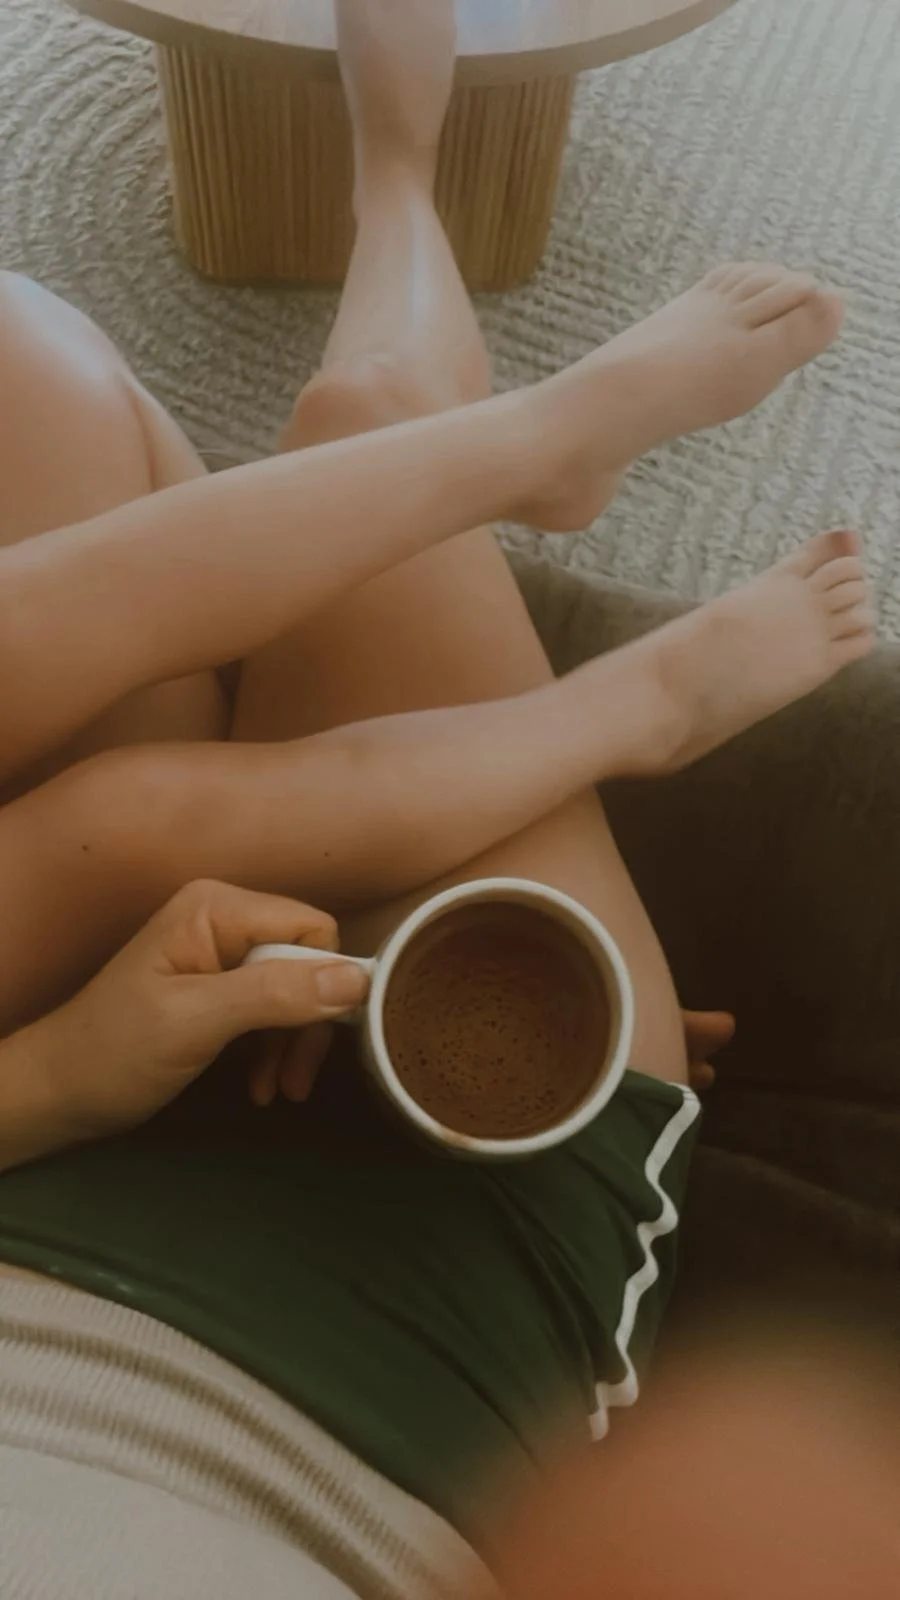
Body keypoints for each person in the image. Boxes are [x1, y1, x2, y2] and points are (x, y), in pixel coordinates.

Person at [0, 2, 875, 1594]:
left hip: (37, 1111)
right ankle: (405, 204)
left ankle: (474, 396)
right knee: (363, 433)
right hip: (402, 1358)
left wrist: (60, 1074)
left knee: (25, 375)